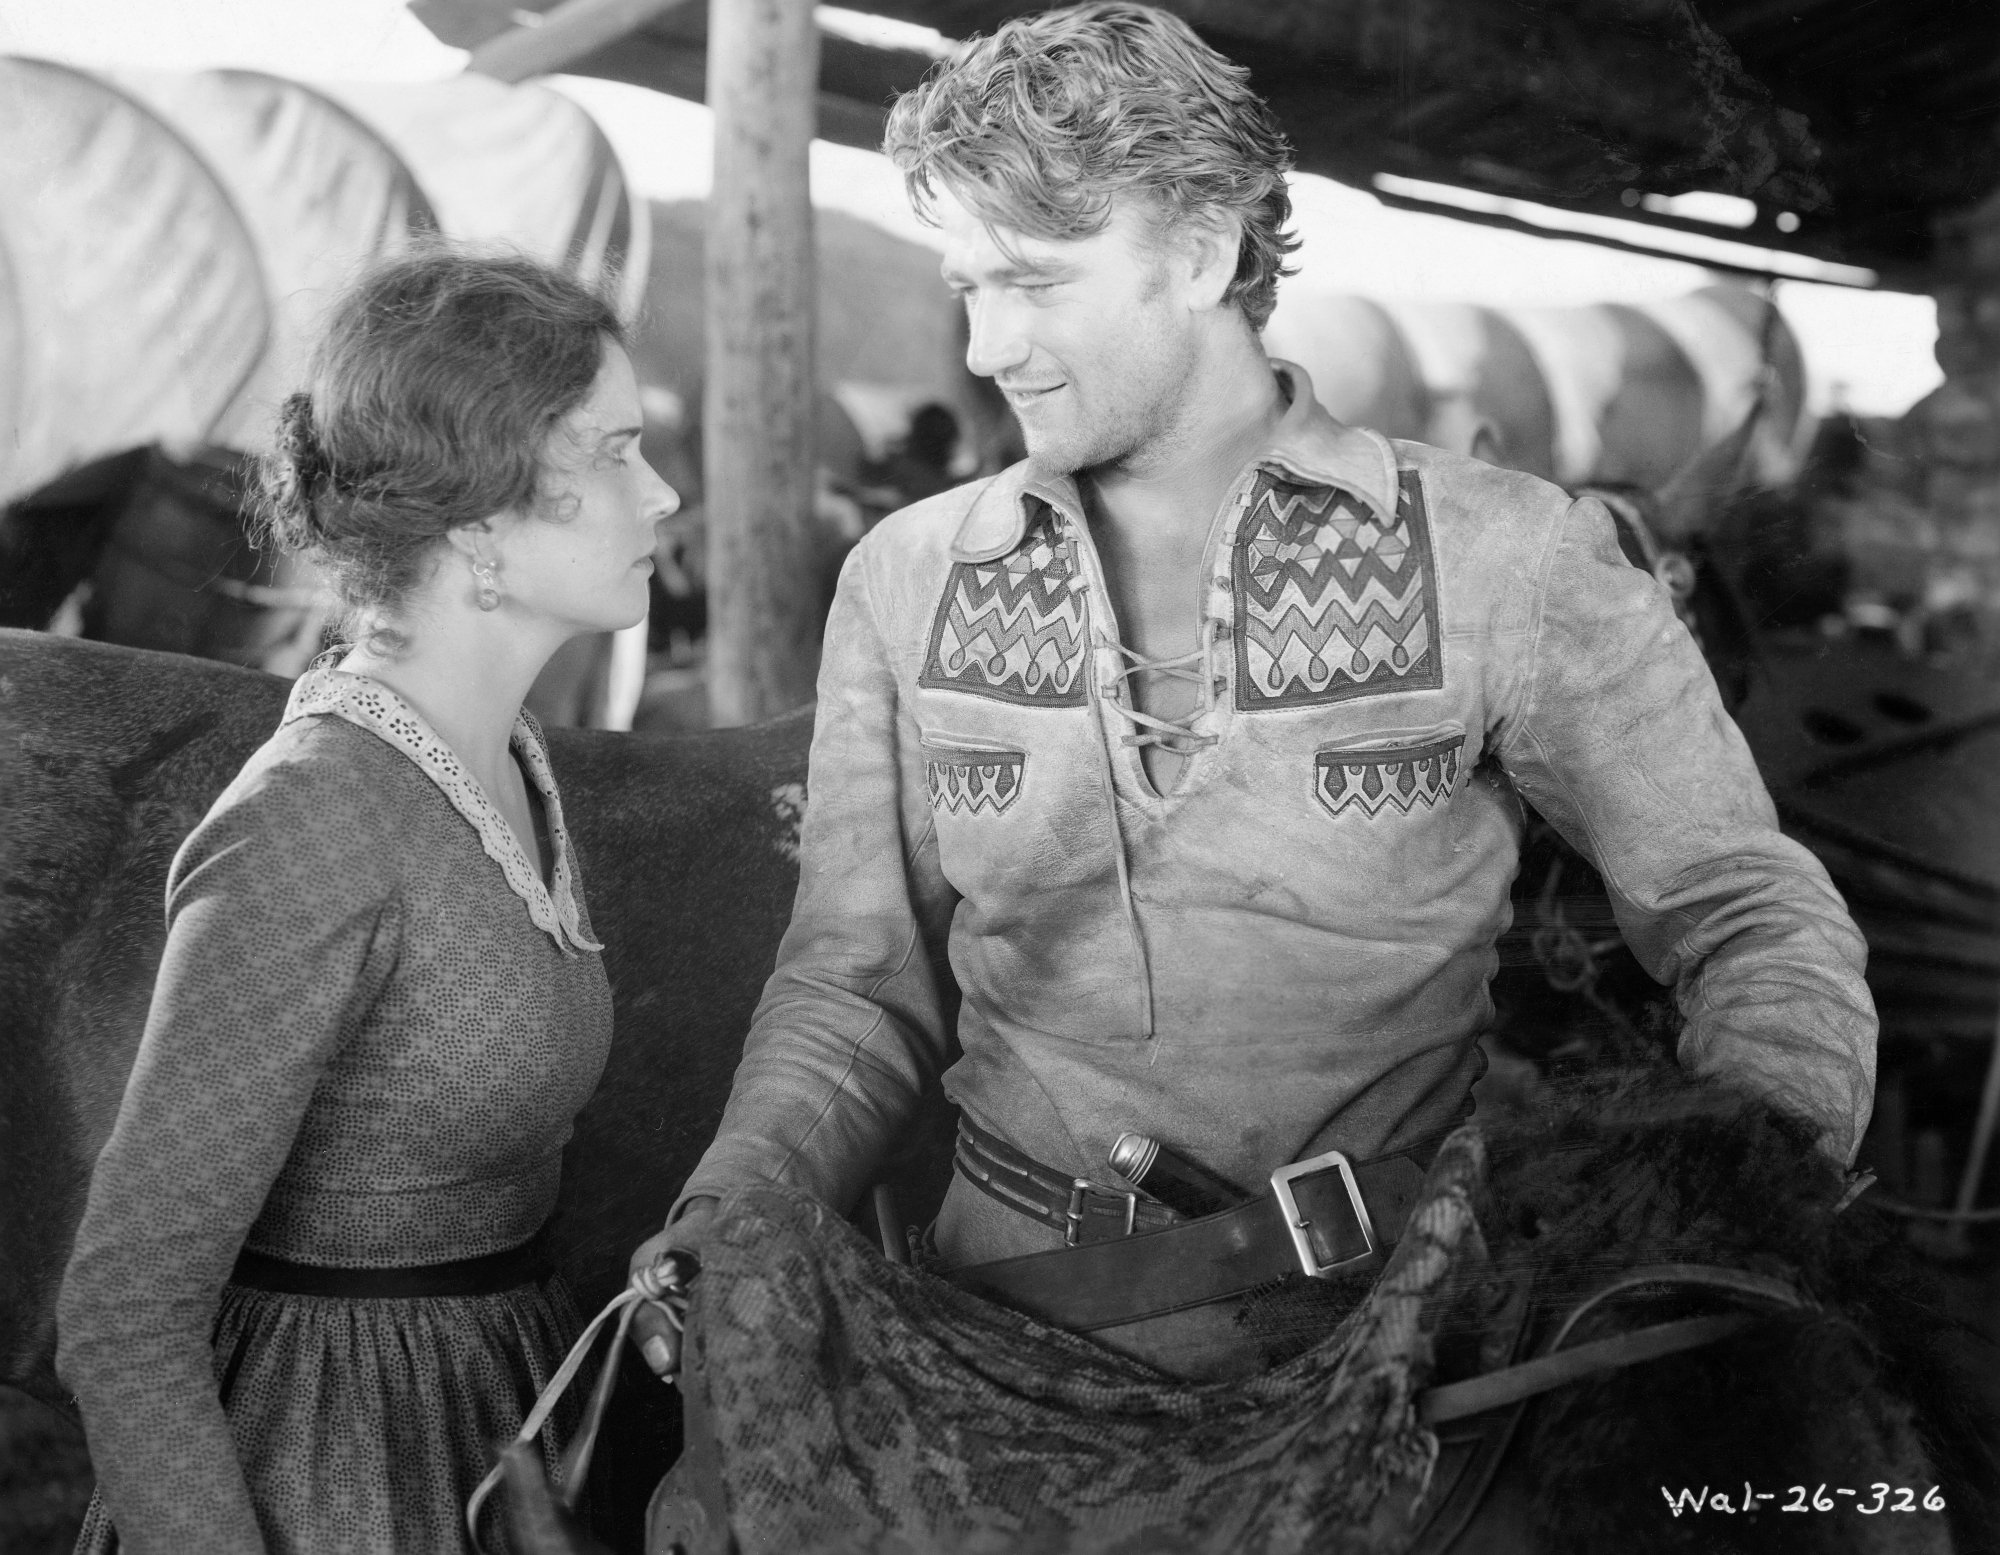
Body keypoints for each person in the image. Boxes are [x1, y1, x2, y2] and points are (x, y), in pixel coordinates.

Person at [631, 1, 1875, 1384]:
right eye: (966, 283)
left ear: (1207, 251)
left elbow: (1749, 913)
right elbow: (855, 984)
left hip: (1396, 1345)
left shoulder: (1504, 560)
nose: (987, 346)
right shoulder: (908, 579)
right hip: (995, 1339)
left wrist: (1742, 1206)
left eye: (1036, 281)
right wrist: (740, 1194)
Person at [57, 249, 678, 1553]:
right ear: (480, 526)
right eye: (617, 452)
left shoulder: (508, 757)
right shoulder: (313, 823)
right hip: (327, 1469)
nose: (663, 494)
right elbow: (123, 1310)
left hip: (493, 1423)